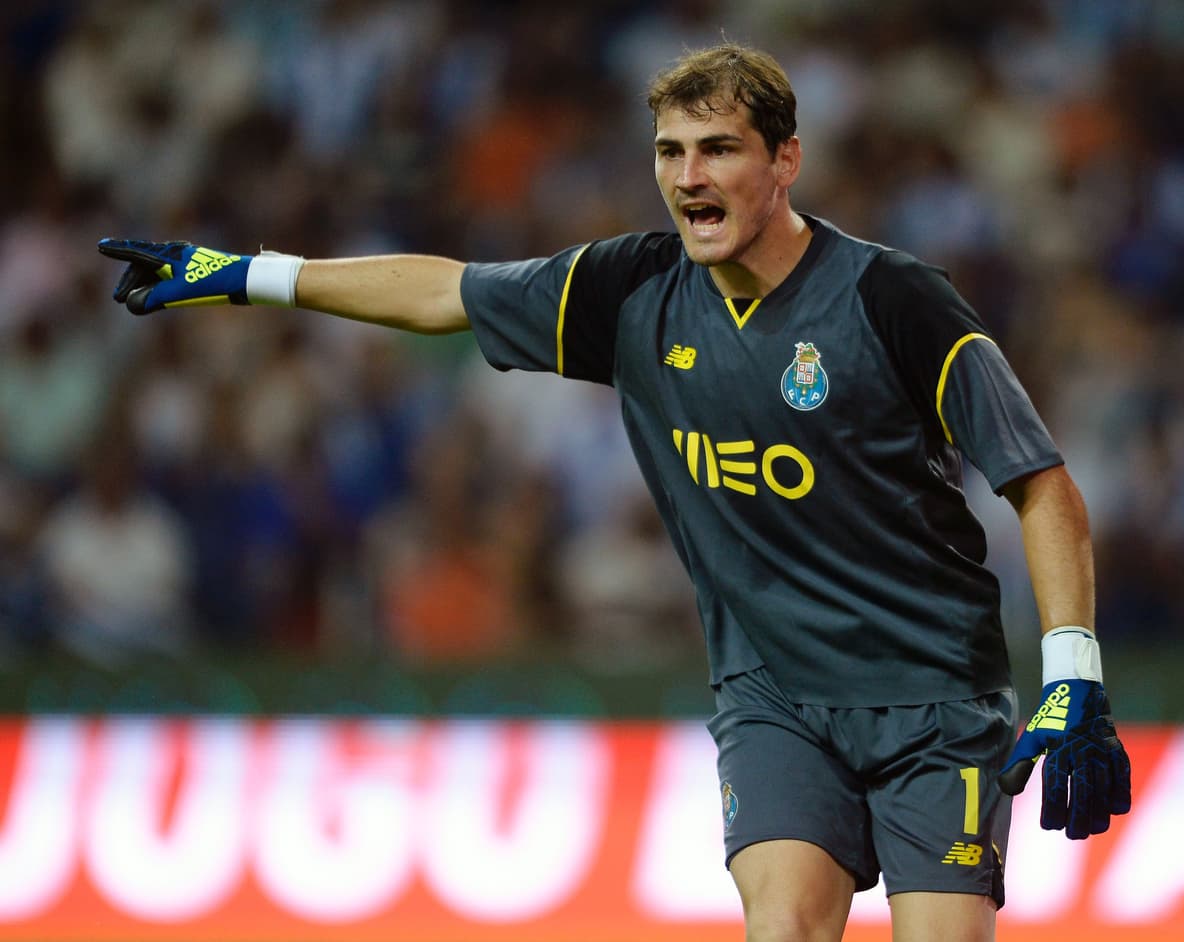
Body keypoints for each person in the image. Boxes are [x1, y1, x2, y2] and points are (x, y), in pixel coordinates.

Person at [100, 42, 1130, 942]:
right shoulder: (629, 291)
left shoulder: (893, 299)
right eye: (669, 153)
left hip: (931, 697)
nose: (688, 177)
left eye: (717, 149)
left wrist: (1070, 668)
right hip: (771, 693)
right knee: (781, 926)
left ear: (783, 162)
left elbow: (1038, 483)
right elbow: (443, 292)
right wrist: (248, 273)